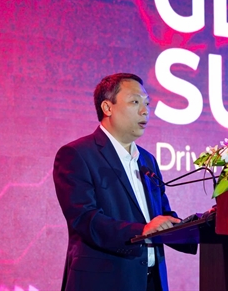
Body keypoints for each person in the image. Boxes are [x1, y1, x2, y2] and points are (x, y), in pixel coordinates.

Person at [53, 73, 194, 291]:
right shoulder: (77, 155)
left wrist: (199, 224)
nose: (145, 111)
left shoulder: (148, 160)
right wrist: (142, 230)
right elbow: (85, 219)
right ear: (107, 107)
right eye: (135, 102)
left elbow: (162, 216)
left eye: (147, 103)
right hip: (103, 283)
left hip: (151, 283)